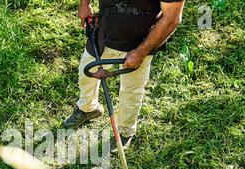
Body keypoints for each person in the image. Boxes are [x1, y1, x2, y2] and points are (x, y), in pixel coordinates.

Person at [64, 0, 185, 153]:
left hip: (141, 40)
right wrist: (84, 4)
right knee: (86, 73)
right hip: (106, 30)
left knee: (132, 90)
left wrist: (141, 52)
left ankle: (125, 131)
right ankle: (88, 109)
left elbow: (172, 19)